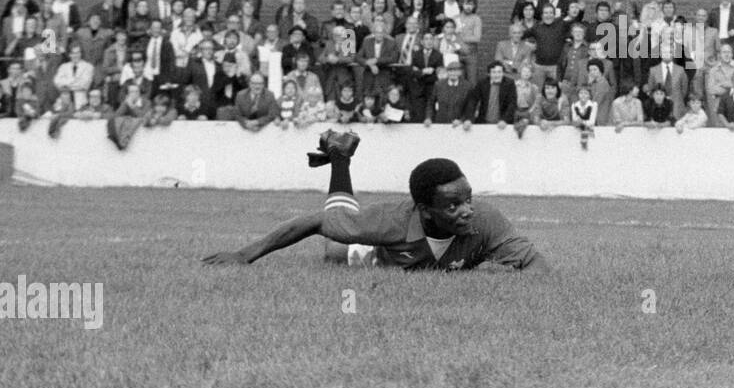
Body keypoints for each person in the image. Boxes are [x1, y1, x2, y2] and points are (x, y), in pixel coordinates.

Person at [202, 136, 548, 272]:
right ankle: (339, 157)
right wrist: (244, 255)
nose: (467, 210)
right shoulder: (389, 222)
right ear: (425, 210)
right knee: (334, 242)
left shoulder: (486, 220)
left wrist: (497, 280)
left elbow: (538, 267)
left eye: (468, 198)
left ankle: (339, 156)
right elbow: (314, 221)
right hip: (378, 255)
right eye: (453, 205)